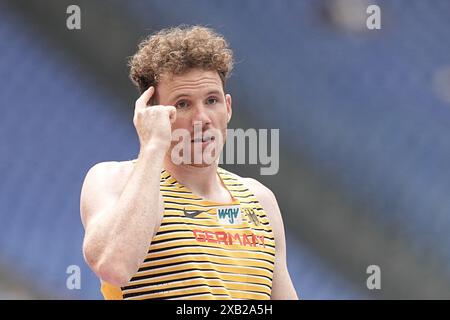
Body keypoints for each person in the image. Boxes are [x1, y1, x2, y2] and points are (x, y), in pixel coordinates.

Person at [80, 25, 298, 300]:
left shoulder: (259, 200)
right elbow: (114, 266)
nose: (202, 118)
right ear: (152, 113)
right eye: (183, 104)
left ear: (228, 108)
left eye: (212, 100)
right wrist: (153, 146)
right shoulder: (113, 179)